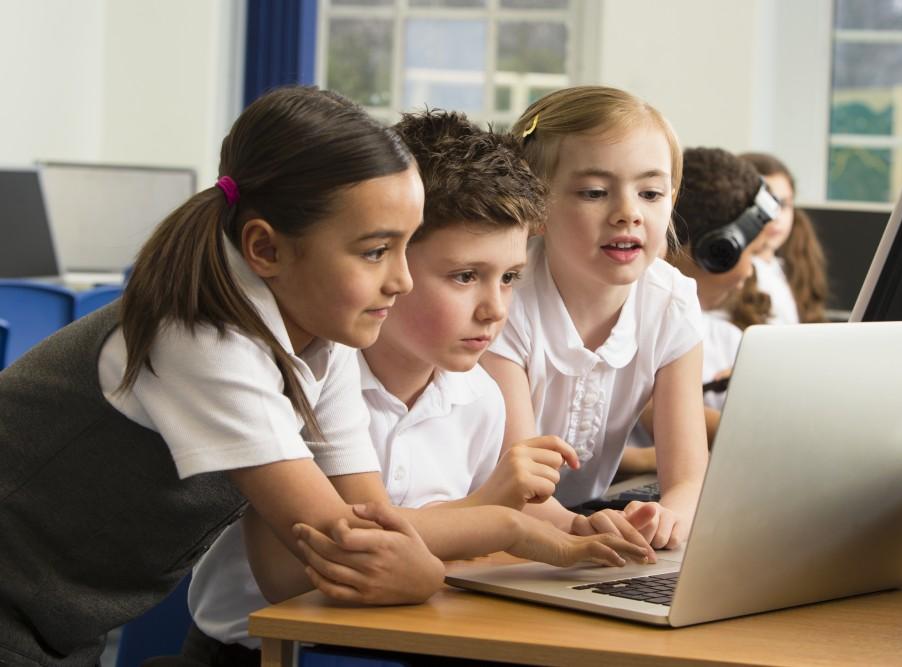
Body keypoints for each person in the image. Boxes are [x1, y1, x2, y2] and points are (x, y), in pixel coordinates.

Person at [0, 88, 640, 667]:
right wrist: (509, 527)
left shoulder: (321, 344)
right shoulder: (207, 341)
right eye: (374, 251)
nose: (402, 279)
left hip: (59, 625)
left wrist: (478, 539)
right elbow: (332, 548)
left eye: (406, 245)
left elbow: (366, 521)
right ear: (266, 249)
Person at [183, 109, 653, 664]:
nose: (494, 309)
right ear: (388, 253)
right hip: (269, 652)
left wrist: (582, 529)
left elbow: (500, 510)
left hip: (405, 636)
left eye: (508, 278)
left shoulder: (477, 396)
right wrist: (502, 522)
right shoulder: (305, 379)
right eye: (463, 277)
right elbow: (318, 560)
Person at [480, 86, 708, 550]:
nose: (628, 213)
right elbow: (515, 489)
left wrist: (667, 520)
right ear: (536, 206)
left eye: (650, 192)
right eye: (594, 192)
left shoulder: (672, 302)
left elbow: (689, 477)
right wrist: (586, 534)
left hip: (581, 536)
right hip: (490, 535)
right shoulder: (505, 301)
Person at [620, 147, 774, 472]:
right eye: (755, 252)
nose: (752, 272)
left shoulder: (722, 335)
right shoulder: (638, 309)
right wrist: (781, 437)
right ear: (719, 251)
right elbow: (658, 408)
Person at [728, 152, 828, 328]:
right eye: (765, 206)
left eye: (784, 204)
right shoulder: (730, 279)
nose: (777, 217)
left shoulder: (791, 269)